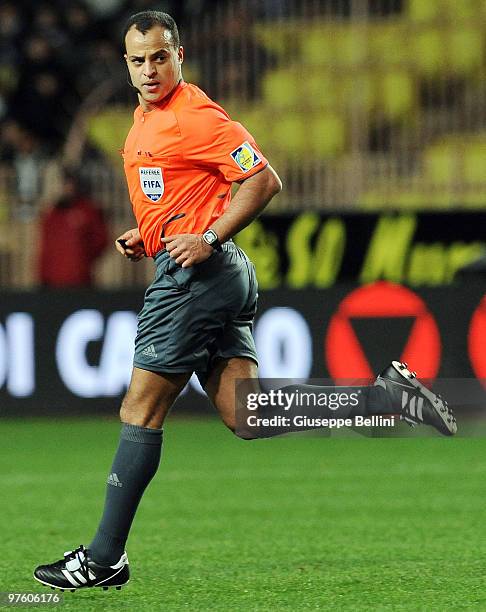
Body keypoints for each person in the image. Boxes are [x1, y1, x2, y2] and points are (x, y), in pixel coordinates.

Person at [33, 11, 456, 593]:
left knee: (140, 409)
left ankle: (104, 558)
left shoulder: (194, 117)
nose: (151, 69)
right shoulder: (147, 119)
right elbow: (181, 195)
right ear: (127, 65)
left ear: (179, 55)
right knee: (249, 416)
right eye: (139, 60)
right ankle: (388, 400)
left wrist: (205, 238)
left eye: (161, 57)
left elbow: (262, 179)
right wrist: (150, 233)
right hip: (209, 271)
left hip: (197, 277)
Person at [38, 169, 109, 287]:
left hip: (80, 281)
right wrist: (43, 277)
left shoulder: (87, 211)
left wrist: (83, 261)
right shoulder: (51, 215)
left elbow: (101, 240)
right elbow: (45, 249)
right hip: (51, 283)